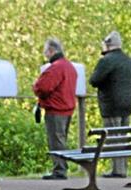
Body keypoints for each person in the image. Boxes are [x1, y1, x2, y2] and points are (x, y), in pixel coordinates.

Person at [90, 30, 131, 178]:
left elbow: (94, 80)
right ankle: (122, 168)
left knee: (113, 137)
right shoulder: (128, 60)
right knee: (122, 136)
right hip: (127, 104)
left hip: (111, 105)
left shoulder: (106, 61)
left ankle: (118, 170)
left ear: (108, 45)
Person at [33, 37, 77, 181]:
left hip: (56, 109)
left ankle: (60, 170)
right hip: (67, 108)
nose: (45, 55)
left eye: (46, 51)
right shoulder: (69, 66)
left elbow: (43, 87)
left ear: (51, 51)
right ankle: (61, 167)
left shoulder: (56, 68)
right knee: (61, 139)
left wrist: (35, 86)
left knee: (56, 140)